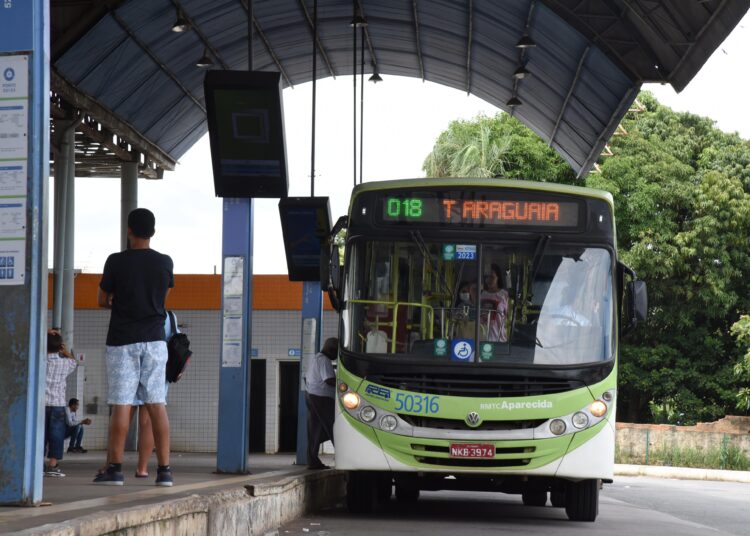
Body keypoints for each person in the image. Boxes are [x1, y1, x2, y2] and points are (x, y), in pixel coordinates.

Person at [95, 208, 174, 487]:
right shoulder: (165, 262)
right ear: (152, 232)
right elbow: (161, 301)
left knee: (122, 403)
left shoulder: (116, 261)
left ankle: (114, 469)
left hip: (122, 340)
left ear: (129, 230)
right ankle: (164, 471)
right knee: (157, 405)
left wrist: (116, 301)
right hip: (154, 340)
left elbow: (102, 299)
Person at [44, 331, 78, 477]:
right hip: (58, 405)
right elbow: (74, 362)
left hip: (40, 405)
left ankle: (37, 465)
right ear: (60, 347)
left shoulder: (39, 362)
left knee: (40, 435)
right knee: (57, 435)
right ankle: (52, 465)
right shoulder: (65, 363)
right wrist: (65, 352)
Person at [304, 337, 338, 470]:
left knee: (316, 429)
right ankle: (342, 457)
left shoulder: (316, 358)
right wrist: (345, 385)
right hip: (321, 398)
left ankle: (313, 461)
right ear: (330, 349)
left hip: (312, 395)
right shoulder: (324, 360)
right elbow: (329, 380)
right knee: (333, 427)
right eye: (336, 352)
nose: (336, 356)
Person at [480, 263, 509, 342]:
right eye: (487, 277)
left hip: (499, 339)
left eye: (492, 277)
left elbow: (509, 317)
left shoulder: (504, 295)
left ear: (498, 278)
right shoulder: (482, 294)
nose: (489, 280)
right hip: (482, 339)